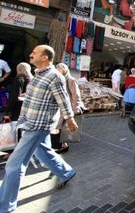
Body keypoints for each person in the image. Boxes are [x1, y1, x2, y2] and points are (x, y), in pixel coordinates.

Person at [0, 45, 78, 213]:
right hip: (30, 122)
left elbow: (63, 100)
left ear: (44, 57)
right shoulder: (37, 75)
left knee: (14, 165)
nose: (30, 54)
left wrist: (70, 119)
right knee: (44, 152)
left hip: (38, 125)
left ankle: (5, 206)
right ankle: (67, 172)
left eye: (34, 53)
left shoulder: (54, 76)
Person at [51, 63, 86, 153]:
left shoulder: (70, 80)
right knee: (57, 126)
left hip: (67, 107)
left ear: (66, 70)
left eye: (61, 69)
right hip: (57, 106)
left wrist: (76, 108)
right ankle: (59, 145)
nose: (59, 71)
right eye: (57, 69)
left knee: (58, 126)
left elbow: (76, 95)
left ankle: (58, 146)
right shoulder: (55, 79)